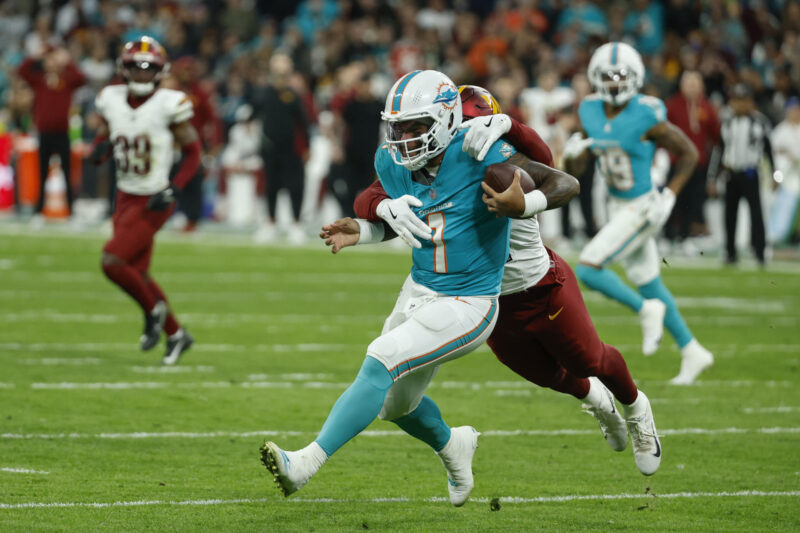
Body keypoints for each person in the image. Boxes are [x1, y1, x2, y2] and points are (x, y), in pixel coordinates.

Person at [260, 70, 579, 505]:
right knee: (393, 405)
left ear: (446, 120)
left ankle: (305, 463)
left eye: (416, 127)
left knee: (380, 358)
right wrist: (370, 226)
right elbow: (402, 214)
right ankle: (453, 445)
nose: (405, 139)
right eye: (398, 128)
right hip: (420, 288)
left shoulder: (479, 151)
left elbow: (564, 183)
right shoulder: (393, 161)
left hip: (469, 300)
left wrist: (526, 203)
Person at [332, 84, 663, 478]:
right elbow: (373, 199)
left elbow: (552, 170)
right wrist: (380, 212)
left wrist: (515, 146)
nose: (468, 140)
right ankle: (596, 398)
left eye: (478, 130)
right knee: (549, 376)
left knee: (588, 359)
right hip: (482, 298)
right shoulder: (429, 164)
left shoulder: (498, 161)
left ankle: (636, 406)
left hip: (539, 286)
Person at [564, 42, 713, 385]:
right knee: (649, 282)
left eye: (621, 76)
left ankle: (646, 310)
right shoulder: (589, 109)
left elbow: (689, 153)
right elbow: (579, 168)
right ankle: (693, 351)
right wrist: (571, 157)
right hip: (616, 204)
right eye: (609, 76)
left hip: (643, 206)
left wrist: (669, 195)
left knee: (588, 267)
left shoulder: (646, 113)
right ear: (596, 77)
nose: (615, 83)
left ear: (635, 77)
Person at [90, 36, 200, 365]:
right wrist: (99, 149)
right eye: (135, 67)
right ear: (123, 69)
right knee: (138, 273)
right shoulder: (110, 98)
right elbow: (107, 135)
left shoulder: (169, 103)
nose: (141, 73)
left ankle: (153, 311)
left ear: (159, 71)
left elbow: (194, 152)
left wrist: (175, 187)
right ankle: (177, 335)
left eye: (147, 67)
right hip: (124, 194)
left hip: (154, 198)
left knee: (112, 261)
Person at [17, 45, 86, 222]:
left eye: (54, 59)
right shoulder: (40, 79)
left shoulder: (67, 79)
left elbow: (81, 78)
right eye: (49, 59)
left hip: (62, 134)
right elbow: (22, 71)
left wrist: (68, 61)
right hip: (44, 134)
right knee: (42, 174)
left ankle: (71, 212)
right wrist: (36, 56)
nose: (52, 62)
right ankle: (39, 212)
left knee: (67, 174)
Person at [714, 83, 776, 266]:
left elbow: (769, 150)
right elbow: (719, 151)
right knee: (729, 215)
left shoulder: (760, 122)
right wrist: (712, 177)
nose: (740, 105)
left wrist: (774, 174)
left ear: (751, 102)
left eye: (744, 100)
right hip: (731, 173)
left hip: (750, 173)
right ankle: (730, 252)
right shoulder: (727, 122)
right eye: (736, 100)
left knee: (756, 214)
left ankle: (760, 252)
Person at [251, 53, 310, 245]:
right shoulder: (264, 93)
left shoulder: (293, 95)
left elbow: (303, 123)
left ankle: (296, 224)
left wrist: (307, 147)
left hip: (291, 149)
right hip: (269, 148)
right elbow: (252, 111)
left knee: (295, 186)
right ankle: (270, 223)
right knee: (271, 186)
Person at [665, 70, 721, 242]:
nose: (692, 87)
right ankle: (668, 236)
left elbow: (716, 135)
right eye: (689, 83)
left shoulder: (707, 107)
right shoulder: (672, 105)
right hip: (677, 162)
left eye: (695, 84)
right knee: (672, 199)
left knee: (693, 201)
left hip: (698, 164)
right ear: (682, 86)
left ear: (701, 86)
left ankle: (686, 237)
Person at [768, 97, 800, 245]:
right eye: (793, 110)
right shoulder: (780, 130)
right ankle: (776, 234)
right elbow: (771, 151)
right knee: (784, 202)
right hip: (786, 175)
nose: (795, 113)